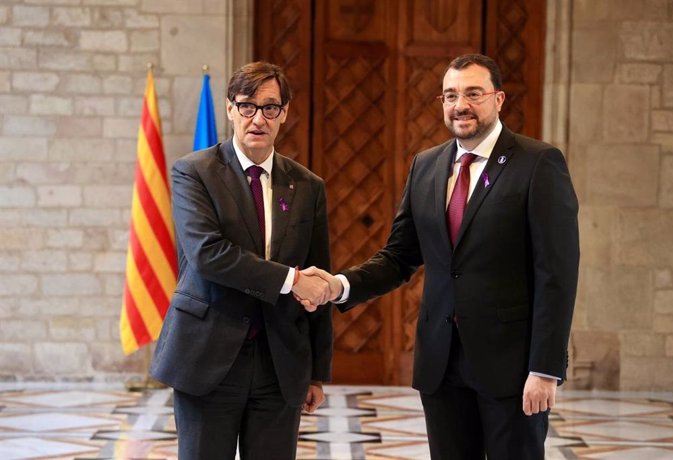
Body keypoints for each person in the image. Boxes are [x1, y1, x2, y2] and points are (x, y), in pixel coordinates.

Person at [302, 53, 579, 459]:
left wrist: (545, 369)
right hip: (441, 366)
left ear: (499, 99)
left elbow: (557, 274)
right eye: (450, 95)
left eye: (473, 93)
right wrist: (338, 286)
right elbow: (399, 257)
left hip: (512, 369)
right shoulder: (426, 166)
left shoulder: (537, 164)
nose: (460, 105)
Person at [150, 61, 334, 460]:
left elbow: (317, 277)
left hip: (280, 363)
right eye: (247, 106)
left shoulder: (307, 186)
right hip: (208, 358)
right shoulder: (194, 172)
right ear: (230, 109)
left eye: (270, 108)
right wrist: (289, 279)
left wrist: (317, 371)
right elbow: (208, 255)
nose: (258, 118)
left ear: (284, 113)